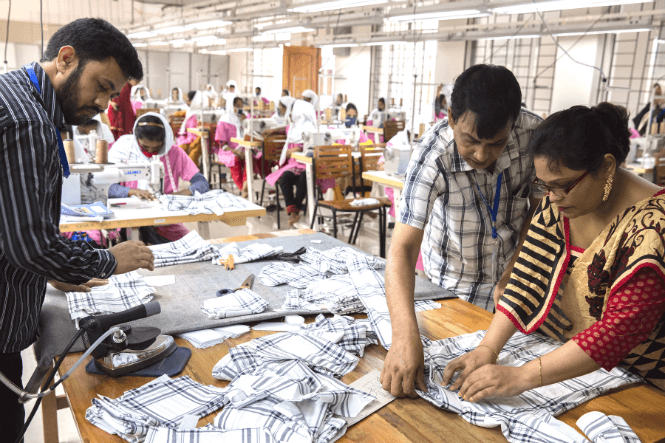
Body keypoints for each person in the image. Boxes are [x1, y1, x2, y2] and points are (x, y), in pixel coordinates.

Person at [441, 102, 665, 402]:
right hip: (574, 367)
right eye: (544, 185)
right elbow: (526, 276)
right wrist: (488, 348)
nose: (551, 197)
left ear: (607, 167)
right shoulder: (560, 202)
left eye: (561, 186)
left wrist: (522, 376)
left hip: (643, 385)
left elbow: (618, 331)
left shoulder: (654, 227)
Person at [0, 18, 153, 441]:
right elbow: (28, 243)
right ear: (66, 59)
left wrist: (54, 268)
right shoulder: (28, 121)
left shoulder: (13, 95)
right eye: (101, 86)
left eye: (111, 94)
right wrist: (106, 259)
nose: (104, 103)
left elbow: (9, 221)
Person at [381, 64, 543, 397]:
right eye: (470, 140)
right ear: (452, 118)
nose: (482, 155)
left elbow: (539, 210)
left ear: (514, 124)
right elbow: (402, 249)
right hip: (454, 285)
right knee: (448, 385)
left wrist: (515, 269)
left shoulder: (534, 136)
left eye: (497, 143)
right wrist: (403, 336)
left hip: (517, 279)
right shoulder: (432, 155)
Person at [109, 113, 209, 243]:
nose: (150, 152)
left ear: (165, 141)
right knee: (133, 246)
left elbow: (202, 182)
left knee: (192, 245)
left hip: (165, 218)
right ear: (136, 139)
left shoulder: (175, 153)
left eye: (156, 148)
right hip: (127, 216)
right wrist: (131, 191)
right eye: (145, 147)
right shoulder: (123, 151)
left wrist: (185, 192)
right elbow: (107, 188)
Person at [265, 99, 316, 226]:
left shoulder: (311, 129)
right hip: (293, 164)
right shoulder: (292, 128)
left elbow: (311, 147)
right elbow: (284, 132)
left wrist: (298, 149)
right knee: (285, 178)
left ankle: (296, 209)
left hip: (306, 165)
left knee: (305, 177)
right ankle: (293, 212)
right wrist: (272, 131)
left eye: (293, 110)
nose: (291, 112)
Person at [177, 90, 205, 164]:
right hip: (188, 139)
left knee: (192, 156)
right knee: (179, 150)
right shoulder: (190, 111)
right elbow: (181, 113)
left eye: (189, 100)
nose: (187, 102)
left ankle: (192, 173)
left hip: (199, 140)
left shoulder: (201, 114)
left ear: (194, 101)